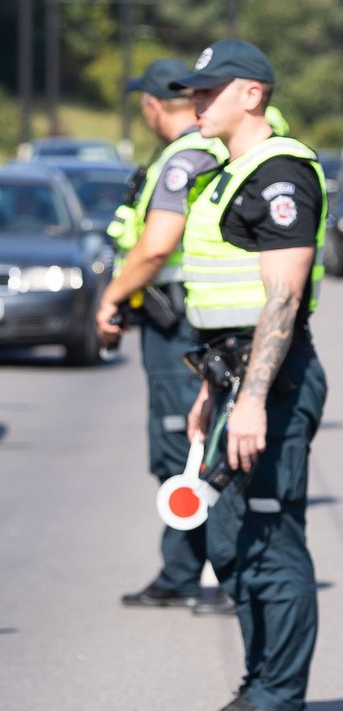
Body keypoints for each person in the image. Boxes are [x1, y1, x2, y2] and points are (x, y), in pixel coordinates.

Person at [170, 39, 326, 711]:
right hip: (232, 378)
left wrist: (254, 397)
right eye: (193, 92)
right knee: (233, 541)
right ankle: (261, 680)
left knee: (272, 540)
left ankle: (277, 695)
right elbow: (224, 304)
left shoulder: (279, 174)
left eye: (210, 90)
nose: (196, 101)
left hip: (274, 383)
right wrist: (213, 390)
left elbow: (283, 297)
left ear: (252, 94)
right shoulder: (229, 173)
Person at [95, 59, 234, 615]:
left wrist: (109, 298)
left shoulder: (186, 156)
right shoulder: (210, 149)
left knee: (190, 447)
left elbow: (155, 248)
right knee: (181, 447)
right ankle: (180, 570)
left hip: (179, 324)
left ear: (153, 105)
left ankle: (224, 572)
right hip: (177, 321)